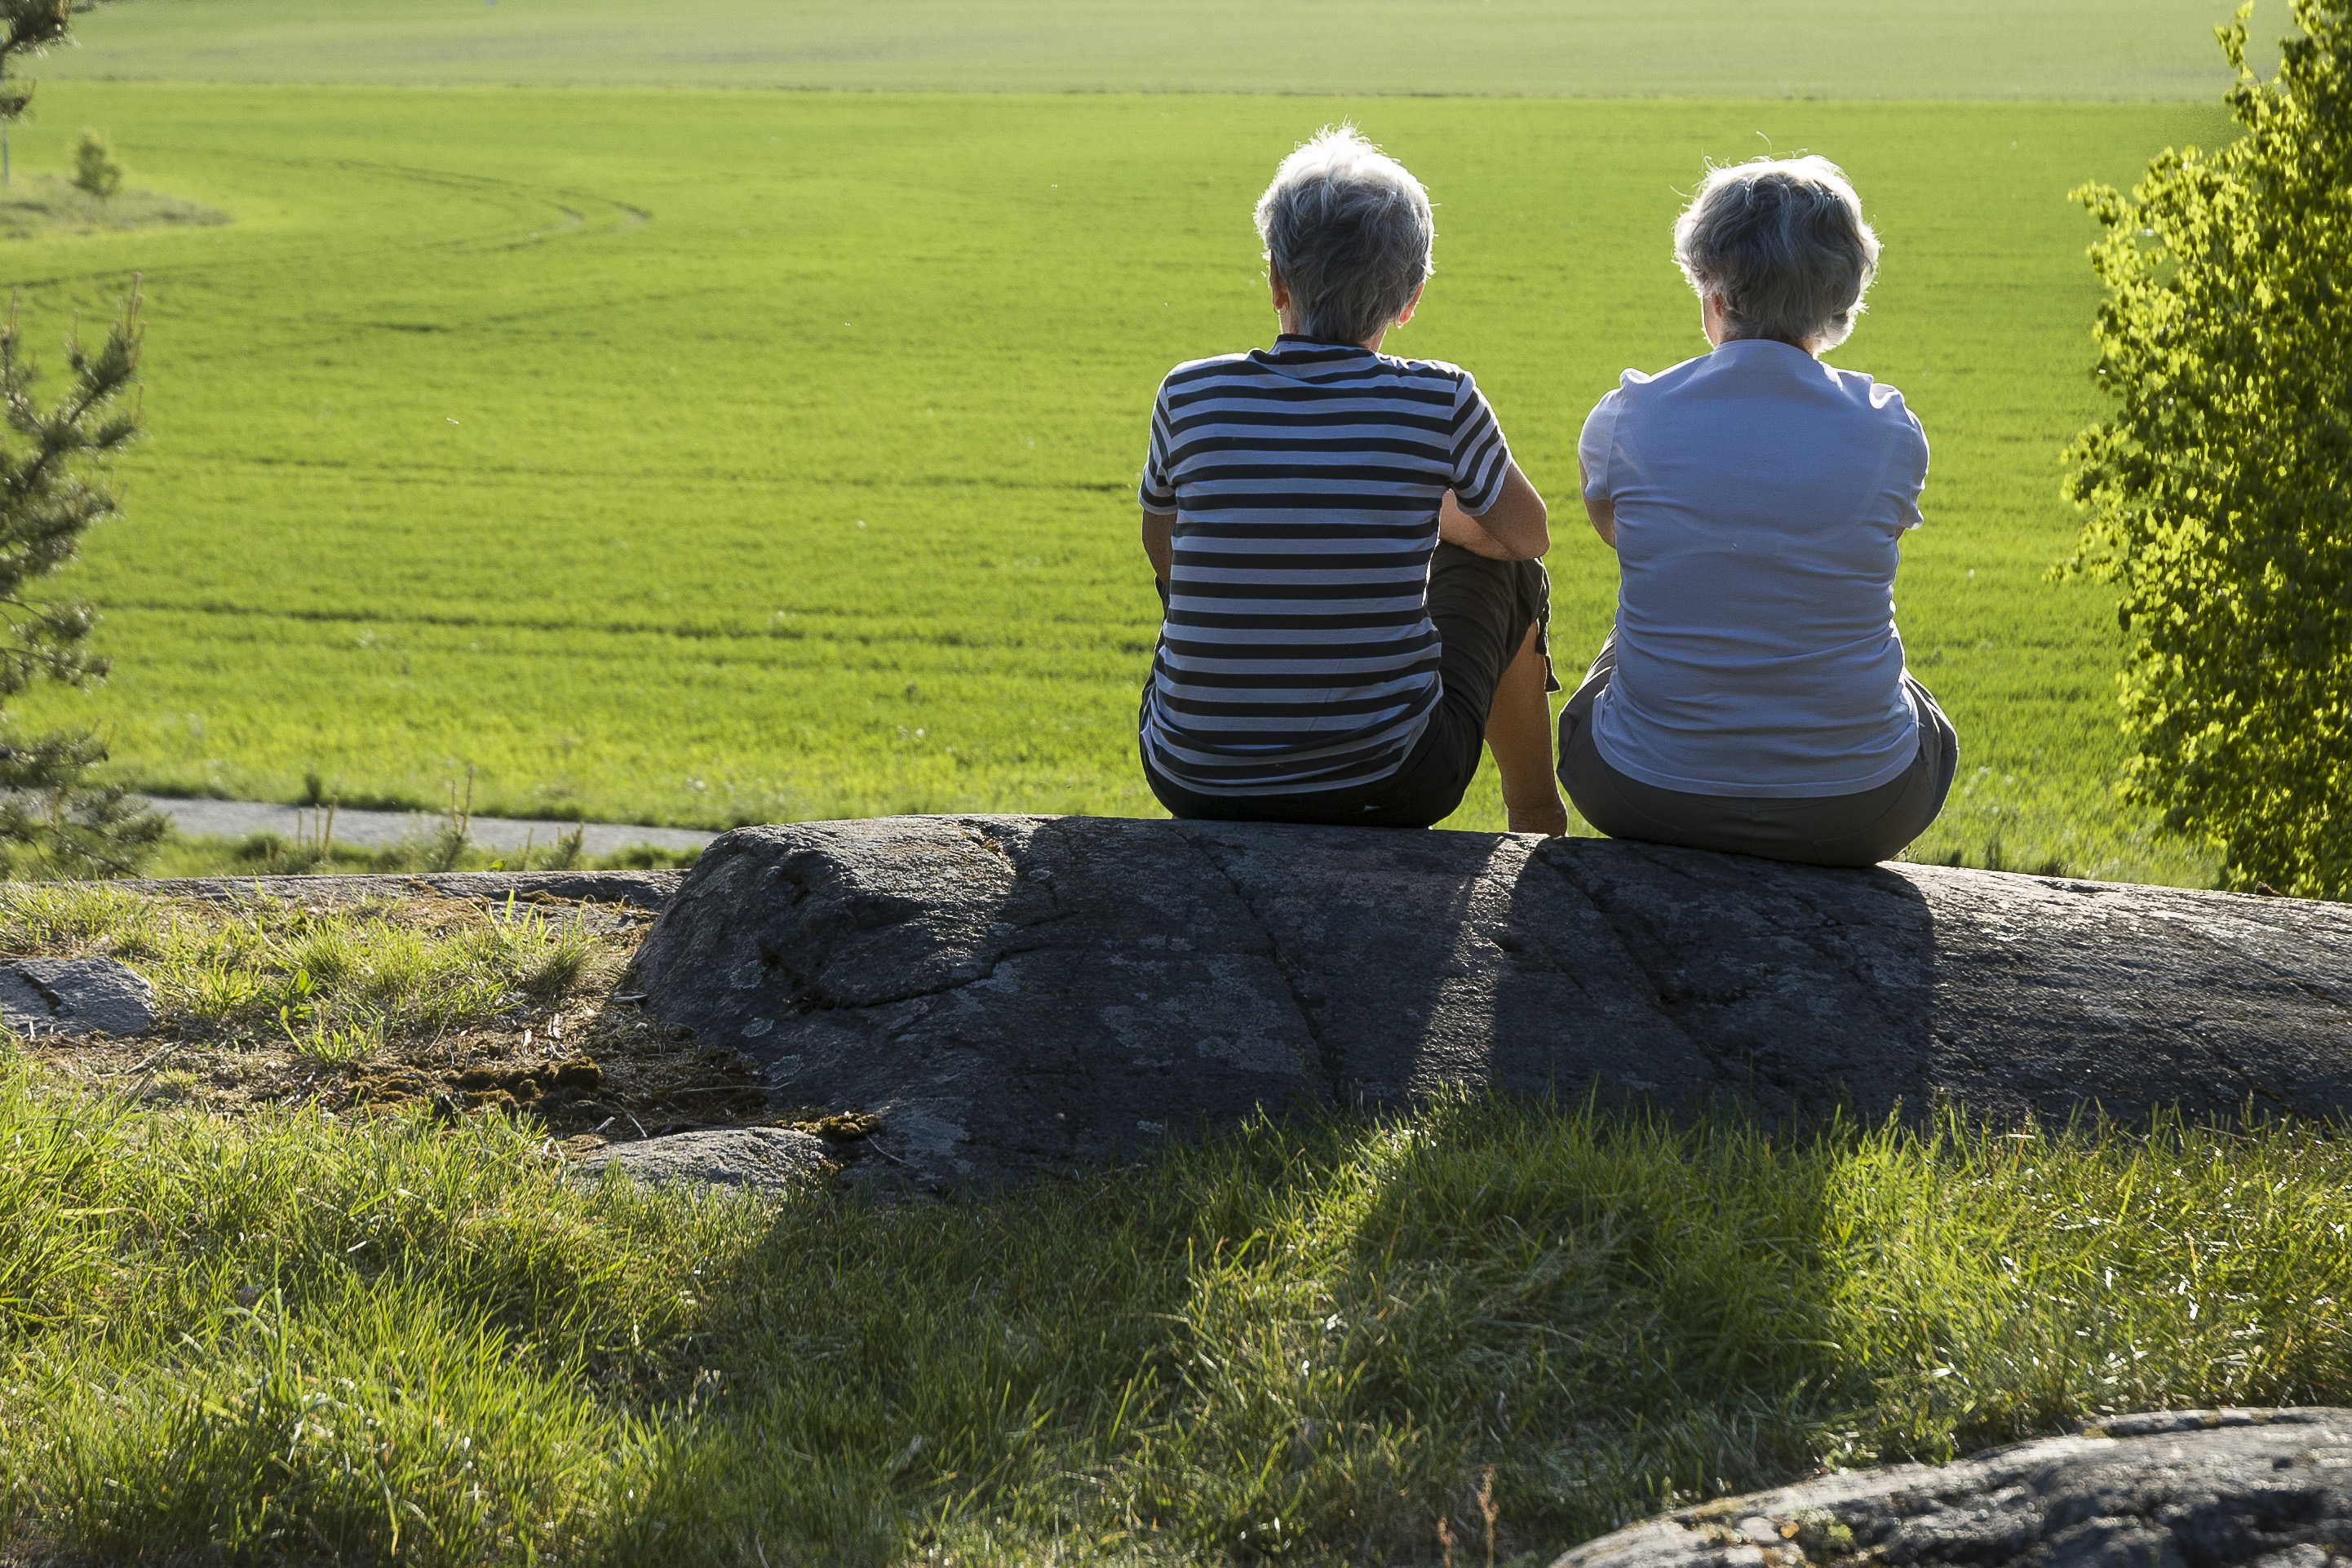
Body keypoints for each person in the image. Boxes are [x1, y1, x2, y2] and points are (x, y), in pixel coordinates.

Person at [1136, 126, 1568, 835]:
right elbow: (1528, 535)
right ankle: (1534, 813)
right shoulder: (1441, 398)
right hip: (1390, 781)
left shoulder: (1189, 393)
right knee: (1512, 571)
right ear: (1411, 299)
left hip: (1189, 775)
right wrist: (1427, 519)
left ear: (1276, 279)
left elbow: (1165, 553)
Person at [1558, 154, 1958, 867]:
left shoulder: (1628, 418)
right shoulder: (1889, 430)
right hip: (1860, 811)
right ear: (1839, 303)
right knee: (1917, 708)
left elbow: (1622, 538)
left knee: (1621, 650)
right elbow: (1874, 539)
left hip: (1640, 793)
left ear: (1712, 291)